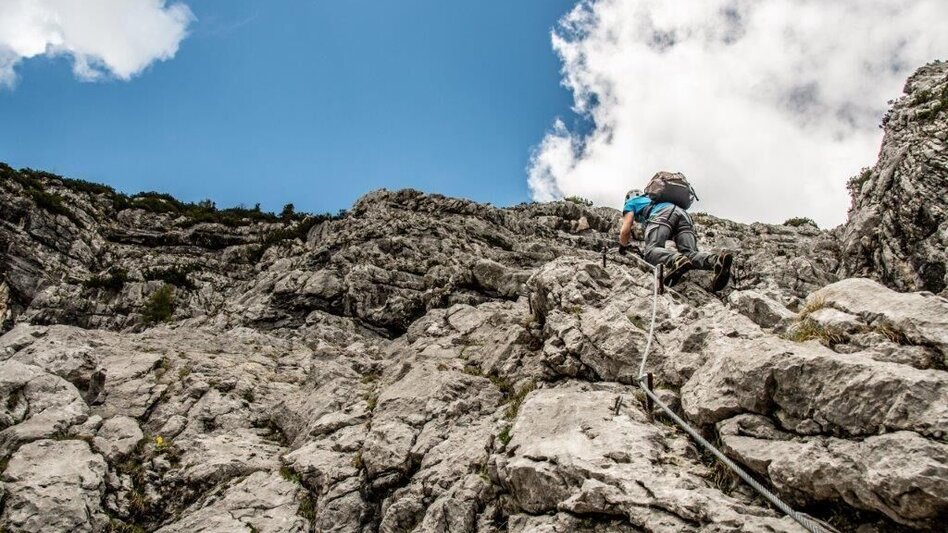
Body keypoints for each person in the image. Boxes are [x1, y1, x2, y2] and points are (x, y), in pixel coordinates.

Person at [618, 182, 733, 291]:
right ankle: (716, 260)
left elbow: (625, 229)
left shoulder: (631, 203)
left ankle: (677, 260)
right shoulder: (652, 199)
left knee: (651, 251)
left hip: (662, 214)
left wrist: (622, 246)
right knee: (689, 253)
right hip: (684, 215)